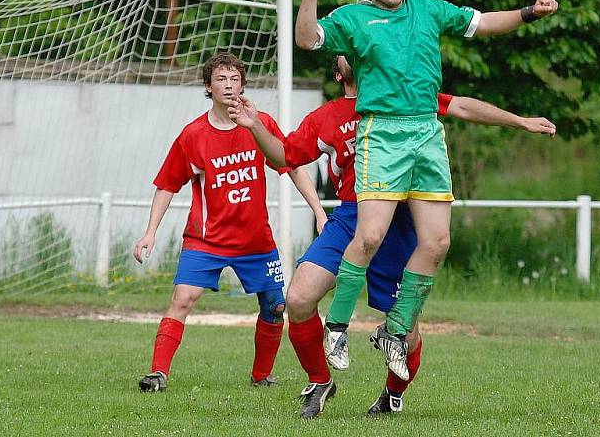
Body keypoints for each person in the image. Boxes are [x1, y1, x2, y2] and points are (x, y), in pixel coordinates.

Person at [228, 55, 556, 418]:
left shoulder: (404, 97)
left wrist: (520, 121)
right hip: (353, 214)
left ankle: (391, 395)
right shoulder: (327, 117)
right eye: (345, 47)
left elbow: (461, 105)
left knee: (406, 329)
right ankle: (320, 381)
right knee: (300, 298)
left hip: (399, 220)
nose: (354, 45)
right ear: (339, 74)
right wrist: (255, 125)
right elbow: (285, 155)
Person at [295, 0, 559, 380]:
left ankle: (395, 329)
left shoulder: (429, 9)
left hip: (426, 135)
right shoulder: (354, 18)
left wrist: (529, 11)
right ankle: (337, 326)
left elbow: (484, 23)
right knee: (371, 235)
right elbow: (307, 39)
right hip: (382, 133)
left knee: (437, 243)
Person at [132, 53, 327, 392]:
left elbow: (291, 164)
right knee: (183, 298)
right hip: (206, 240)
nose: (228, 85)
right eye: (221, 79)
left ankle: (261, 375)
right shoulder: (193, 135)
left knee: (275, 305)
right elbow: (166, 184)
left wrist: (320, 211)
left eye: (234, 79)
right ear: (208, 86)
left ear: (243, 85)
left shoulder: (258, 122)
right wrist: (150, 233)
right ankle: (157, 373)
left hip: (255, 241)